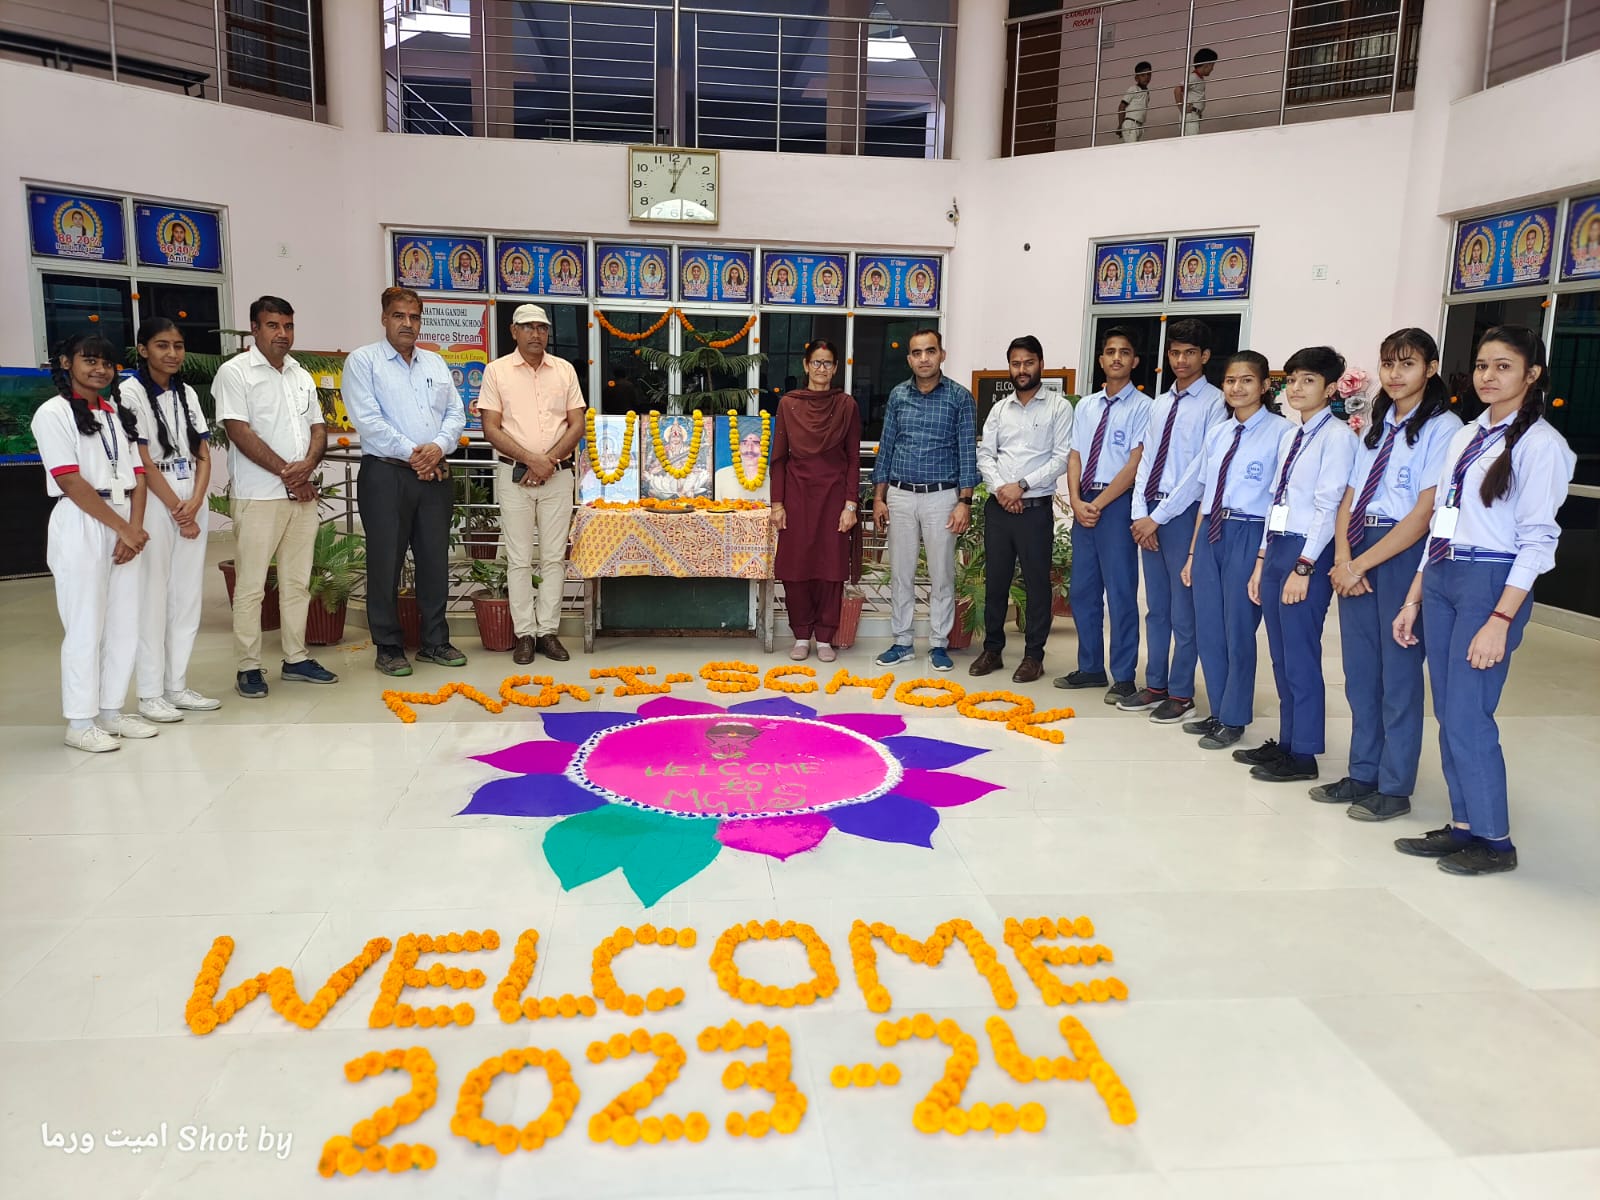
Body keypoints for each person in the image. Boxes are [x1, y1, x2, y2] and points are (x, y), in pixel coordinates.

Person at [1391, 326, 1574, 875]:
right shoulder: (1468, 433)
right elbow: (1442, 520)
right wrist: (1414, 595)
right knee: (1450, 712)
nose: (1488, 376)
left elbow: (1538, 541)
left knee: (1470, 715)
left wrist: (1500, 618)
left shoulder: (1542, 445)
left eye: (1503, 367)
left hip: (1490, 582)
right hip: (1444, 573)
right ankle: (1464, 825)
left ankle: (1496, 842)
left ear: (1532, 375)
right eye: (1481, 366)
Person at [1321, 328, 1461, 821]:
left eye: (1407, 364)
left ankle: (1395, 785)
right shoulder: (1377, 425)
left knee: (1398, 675)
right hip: (1357, 547)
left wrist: (1359, 564)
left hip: (1401, 553)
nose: (1395, 374)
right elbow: (1349, 496)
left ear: (1431, 368)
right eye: (1388, 364)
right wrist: (1344, 557)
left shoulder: (1444, 428)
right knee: (1361, 673)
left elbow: (1424, 513)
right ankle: (1362, 772)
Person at [33, 331, 154, 752]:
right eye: (90, 360)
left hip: (124, 519)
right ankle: (80, 721)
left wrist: (133, 528)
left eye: (106, 363)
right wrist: (123, 529)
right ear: (67, 363)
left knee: (124, 621)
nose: (100, 369)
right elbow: (69, 480)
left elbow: (138, 475)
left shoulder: (116, 412)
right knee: (85, 623)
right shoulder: (53, 413)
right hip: (81, 520)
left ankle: (110, 711)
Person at [1240, 346, 1358, 782]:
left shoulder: (1338, 437)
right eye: (1291, 379)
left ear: (1330, 388)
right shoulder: (1292, 435)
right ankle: (1288, 742)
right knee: (1281, 655)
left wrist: (1304, 566)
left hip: (1308, 551)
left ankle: (1304, 754)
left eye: (1308, 380)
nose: (1296, 388)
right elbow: (1276, 502)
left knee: (1301, 654)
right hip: (1278, 547)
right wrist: (1261, 562)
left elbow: (1329, 507)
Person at [214, 296, 338, 698]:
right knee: (251, 585)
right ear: (255, 328)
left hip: (301, 496)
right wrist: (290, 473)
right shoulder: (235, 373)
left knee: (297, 581)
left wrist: (308, 466)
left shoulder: (300, 375)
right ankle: (248, 666)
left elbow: (318, 428)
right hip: (259, 496)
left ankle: (296, 658)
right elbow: (239, 431)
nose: (282, 334)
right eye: (273, 325)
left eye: (288, 326)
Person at [342, 286, 469, 677]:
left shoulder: (435, 363)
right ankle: (388, 646)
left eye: (414, 317)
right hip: (386, 474)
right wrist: (419, 454)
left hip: (433, 474)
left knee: (434, 559)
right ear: (384, 318)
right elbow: (369, 421)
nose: (407, 324)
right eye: (399, 316)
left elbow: (456, 414)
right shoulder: (363, 362)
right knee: (385, 561)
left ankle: (435, 641)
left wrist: (438, 447)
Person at [1176, 351, 1289, 749]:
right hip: (1213, 530)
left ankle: (1235, 717)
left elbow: (1279, 500)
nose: (1236, 388)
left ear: (1265, 386)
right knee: (1209, 628)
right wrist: (1193, 553)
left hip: (1250, 530)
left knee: (1237, 629)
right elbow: (1206, 496)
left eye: (1246, 380)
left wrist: (1261, 557)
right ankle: (1218, 709)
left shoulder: (1282, 433)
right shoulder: (1219, 433)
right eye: (1230, 380)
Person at [1123, 318, 1225, 723]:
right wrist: (1140, 513)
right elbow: (1146, 458)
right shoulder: (1159, 403)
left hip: (1183, 514)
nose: (1181, 360)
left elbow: (1201, 469)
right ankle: (1155, 684)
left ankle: (1181, 693)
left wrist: (1159, 516)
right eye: (1175, 352)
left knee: (1185, 610)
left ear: (1205, 356)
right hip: (1150, 511)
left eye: (1189, 353)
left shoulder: (1215, 403)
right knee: (1157, 608)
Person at [122, 318, 220, 722]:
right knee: (154, 596)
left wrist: (195, 501)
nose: (172, 353)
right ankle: (149, 693)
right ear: (143, 349)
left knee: (186, 596)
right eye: (162, 345)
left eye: (178, 346)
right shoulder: (130, 392)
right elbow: (143, 460)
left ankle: (176, 685)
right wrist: (180, 510)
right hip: (154, 497)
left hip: (190, 494)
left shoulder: (186, 393)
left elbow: (203, 453)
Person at [478, 303, 585, 666]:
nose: (536, 333)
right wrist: (530, 459)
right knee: (519, 559)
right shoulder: (496, 371)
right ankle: (524, 633)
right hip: (514, 477)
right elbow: (491, 428)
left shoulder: (564, 370)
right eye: (528, 327)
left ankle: (547, 632)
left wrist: (546, 461)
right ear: (514, 331)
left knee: (554, 558)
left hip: (558, 475)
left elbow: (577, 424)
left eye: (542, 327)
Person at [871, 329, 978, 672]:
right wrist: (879, 497)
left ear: (942, 355)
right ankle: (902, 642)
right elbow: (886, 447)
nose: (924, 358)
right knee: (900, 573)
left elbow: (967, 452)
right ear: (909, 359)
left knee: (941, 574)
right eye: (917, 353)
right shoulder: (898, 395)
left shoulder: (960, 398)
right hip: (900, 496)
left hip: (942, 498)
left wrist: (964, 502)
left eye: (930, 351)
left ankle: (938, 644)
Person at [1055, 326, 1150, 704]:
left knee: (1121, 591)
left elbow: (1135, 463)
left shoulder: (1144, 407)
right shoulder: (1087, 406)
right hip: (1085, 503)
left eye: (1124, 352)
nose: (1116, 358)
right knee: (1083, 590)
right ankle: (1091, 667)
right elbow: (1075, 456)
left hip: (1117, 502)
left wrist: (1100, 503)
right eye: (1110, 351)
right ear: (1100, 359)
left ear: (1134, 361)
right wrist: (1077, 501)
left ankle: (1124, 675)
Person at [971, 335, 1073, 684]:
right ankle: (993, 650)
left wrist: (1022, 486)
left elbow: (1061, 458)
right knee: (996, 581)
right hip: (1000, 508)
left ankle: (1034, 656)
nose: (1022, 369)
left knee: (1036, 584)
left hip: (1035, 510)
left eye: (1028, 362)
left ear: (1040, 364)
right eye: (1016, 363)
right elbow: (986, 454)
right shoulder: (1000, 409)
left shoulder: (1059, 407)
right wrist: (1003, 489)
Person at [771, 340, 862, 663]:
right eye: (816, 362)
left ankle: (824, 637)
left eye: (828, 363)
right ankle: (800, 634)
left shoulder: (846, 405)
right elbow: (778, 459)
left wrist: (850, 505)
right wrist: (777, 504)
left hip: (834, 497)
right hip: (797, 495)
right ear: (806, 366)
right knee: (796, 567)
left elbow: (854, 459)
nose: (822, 369)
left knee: (830, 568)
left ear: (835, 368)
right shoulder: (789, 404)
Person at [715, 422, 771, 502]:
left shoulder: (774, 476)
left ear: (765, 446)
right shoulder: (721, 476)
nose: (749, 449)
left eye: (756, 443)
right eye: (744, 443)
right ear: (738, 447)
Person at [1175, 47, 1217, 136]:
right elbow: (1177, 90)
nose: (1212, 69)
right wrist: (1182, 108)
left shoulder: (1199, 78)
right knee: (1192, 140)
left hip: (1194, 115)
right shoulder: (1193, 77)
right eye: (1212, 65)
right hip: (1191, 116)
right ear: (1207, 65)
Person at [1119, 61, 1152, 142]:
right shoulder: (1133, 89)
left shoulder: (1147, 92)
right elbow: (1122, 106)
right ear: (1136, 78)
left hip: (1139, 125)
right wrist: (1120, 125)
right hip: (1131, 123)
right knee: (1132, 147)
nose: (1146, 77)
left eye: (1148, 74)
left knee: (1137, 148)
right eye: (1143, 75)